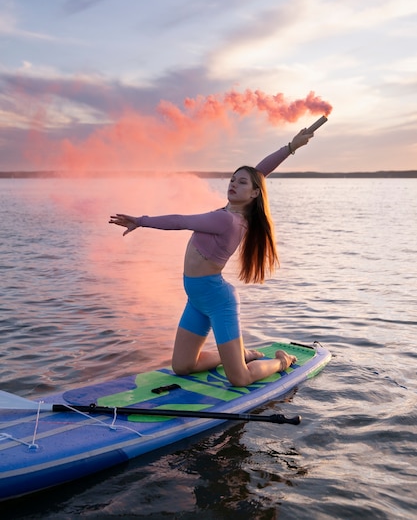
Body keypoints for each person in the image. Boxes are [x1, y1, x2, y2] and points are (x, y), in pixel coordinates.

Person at [109, 128, 314, 387]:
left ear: (254, 194)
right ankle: (240, 355)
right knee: (182, 367)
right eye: (232, 179)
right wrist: (290, 147)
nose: (233, 183)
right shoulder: (230, 212)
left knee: (239, 379)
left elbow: (180, 221)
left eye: (241, 182)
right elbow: (260, 173)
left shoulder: (227, 219)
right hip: (196, 299)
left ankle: (283, 361)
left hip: (218, 301)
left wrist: (141, 221)